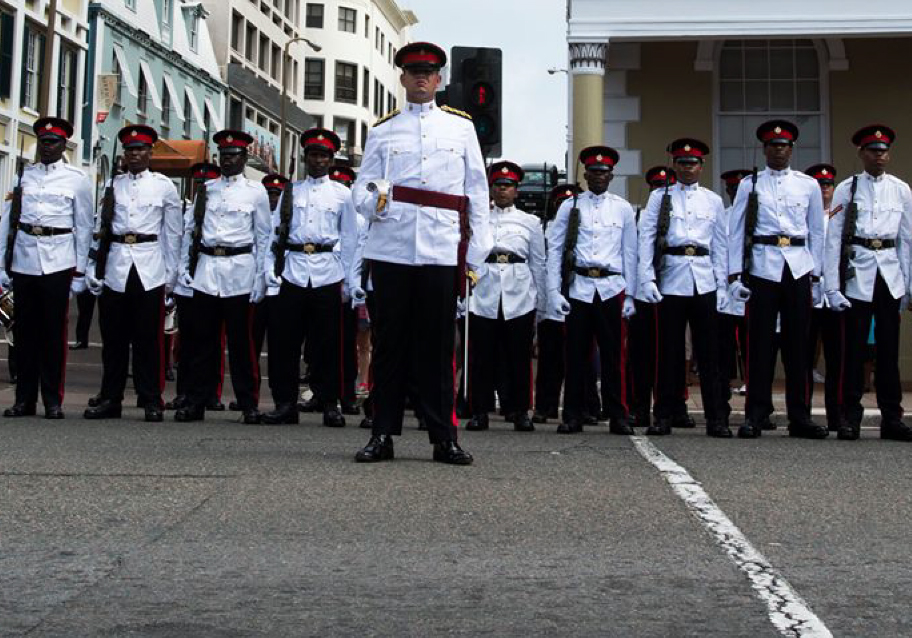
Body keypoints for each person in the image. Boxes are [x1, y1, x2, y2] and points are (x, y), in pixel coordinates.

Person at [350, 41, 492, 464]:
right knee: (390, 345)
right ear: (402, 78)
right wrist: (373, 198)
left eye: (428, 72)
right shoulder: (383, 130)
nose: (420, 78)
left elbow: (477, 192)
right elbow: (361, 189)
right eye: (413, 71)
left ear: (439, 79)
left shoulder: (461, 128)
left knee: (437, 348)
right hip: (391, 247)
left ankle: (443, 436)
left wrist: (475, 254)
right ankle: (382, 433)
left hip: (440, 249)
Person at [727, 120, 827, 439]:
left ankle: (800, 417)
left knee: (799, 346)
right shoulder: (749, 184)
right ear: (764, 149)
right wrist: (733, 274)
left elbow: (816, 231)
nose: (778, 150)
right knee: (759, 344)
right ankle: (756, 415)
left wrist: (818, 273)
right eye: (773, 146)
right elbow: (736, 231)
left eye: (783, 146)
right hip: (763, 266)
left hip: (797, 265)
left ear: (791, 149)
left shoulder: (807, 184)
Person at [82, 125, 181, 421]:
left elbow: (172, 233)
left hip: (149, 265)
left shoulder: (164, 186)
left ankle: (151, 399)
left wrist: (171, 275)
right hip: (116, 265)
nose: (135, 154)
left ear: (151, 153)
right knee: (113, 339)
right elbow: (100, 228)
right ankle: (111, 398)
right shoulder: (113, 185)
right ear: (124, 154)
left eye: (140, 149)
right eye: (130, 150)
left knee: (147, 340)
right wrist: (91, 266)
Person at [175, 130, 270, 424]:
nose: (229, 160)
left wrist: (261, 277)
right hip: (206, 269)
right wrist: (182, 267)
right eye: (225, 156)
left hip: (240, 269)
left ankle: (248, 403)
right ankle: (197, 401)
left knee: (242, 344)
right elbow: (190, 232)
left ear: (244, 158)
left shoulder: (256, 192)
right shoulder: (207, 190)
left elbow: (264, 237)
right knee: (203, 342)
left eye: (235, 156)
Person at [262, 129, 356, 426]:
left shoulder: (342, 194)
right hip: (293, 269)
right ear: (305, 158)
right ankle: (285, 403)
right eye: (313, 155)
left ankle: (330, 402)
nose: (318, 160)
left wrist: (349, 279)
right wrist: (269, 270)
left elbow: (350, 238)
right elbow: (275, 233)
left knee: (328, 343)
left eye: (324, 156)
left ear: (331, 160)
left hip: (327, 270)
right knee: (284, 342)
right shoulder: (292, 191)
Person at [0, 118, 93, 419]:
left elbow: (84, 226)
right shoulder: (24, 176)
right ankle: (23, 399)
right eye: (43, 141)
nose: (47, 147)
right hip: (25, 258)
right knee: (24, 333)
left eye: (52, 142)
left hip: (58, 258)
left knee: (53, 334)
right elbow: (10, 221)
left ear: (63, 145)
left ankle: (52, 399)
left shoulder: (76, 179)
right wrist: (4, 262)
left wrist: (79, 271)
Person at [825, 125, 912, 441]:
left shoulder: (901, 189)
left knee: (888, 351)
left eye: (883, 151)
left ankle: (892, 417)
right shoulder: (847, 189)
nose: (879, 156)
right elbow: (833, 240)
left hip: (889, 274)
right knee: (853, 350)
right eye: (873, 151)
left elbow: (906, 239)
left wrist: (909, 284)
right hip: (857, 272)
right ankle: (849, 416)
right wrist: (831, 287)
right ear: (862, 153)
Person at [638, 139, 730, 437]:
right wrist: (647, 278)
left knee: (710, 355)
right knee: (669, 353)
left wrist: (723, 285)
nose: (687, 167)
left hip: (703, 279)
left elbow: (719, 246)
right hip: (671, 278)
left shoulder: (712, 200)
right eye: (682, 162)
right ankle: (664, 414)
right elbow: (646, 238)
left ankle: (716, 418)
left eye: (693, 163)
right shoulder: (660, 198)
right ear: (674, 165)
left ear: (701, 166)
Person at [546, 145, 637, 435]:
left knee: (614, 357)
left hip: (611, 287)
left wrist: (632, 295)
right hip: (579, 286)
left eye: (604, 172)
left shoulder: (622, 208)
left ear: (611, 175)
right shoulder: (569, 206)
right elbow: (556, 250)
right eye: (594, 172)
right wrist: (553, 291)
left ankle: (618, 415)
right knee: (575, 355)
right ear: (585, 174)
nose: (599, 176)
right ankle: (573, 414)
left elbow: (629, 252)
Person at [464, 161, 546, 433]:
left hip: (519, 290)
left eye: (508, 186)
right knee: (482, 355)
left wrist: (544, 301)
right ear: (491, 189)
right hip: (484, 289)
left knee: (518, 356)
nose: (502, 190)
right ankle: (480, 411)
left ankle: (521, 410)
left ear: (516, 190)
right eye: (498, 185)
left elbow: (538, 262)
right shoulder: (479, 218)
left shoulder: (530, 222)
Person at [166, 162, 223, 412]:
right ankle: (185, 392)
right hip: (186, 283)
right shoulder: (185, 209)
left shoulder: (217, 209)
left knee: (211, 342)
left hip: (210, 279)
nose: (201, 187)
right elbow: (178, 242)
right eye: (197, 183)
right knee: (186, 343)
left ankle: (211, 392)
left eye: (205, 183)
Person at [628, 166, 675, 429]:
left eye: (664, 185)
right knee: (640, 355)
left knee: (667, 355)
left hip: (667, 288)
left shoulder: (677, 216)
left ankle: (669, 407)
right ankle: (639, 407)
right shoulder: (639, 215)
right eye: (656, 186)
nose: (660, 190)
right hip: (640, 294)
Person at [804, 163, 843, 432]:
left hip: (835, 294)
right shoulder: (802, 216)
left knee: (837, 359)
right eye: (819, 184)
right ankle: (803, 413)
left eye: (828, 185)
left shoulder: (840, 214)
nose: (824, 189)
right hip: (808, 294)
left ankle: (836, 416)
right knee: (804, 357)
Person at [716, 169, 752, 418]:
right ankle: (722, 401)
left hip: (752, 292)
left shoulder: (759, 218)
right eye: (732, 190)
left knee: (754, 348)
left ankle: (757, 402)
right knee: (724, 351)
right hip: (726, 296)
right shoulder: (723, 216)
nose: (736, 194)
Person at [329, 164, 361, 415]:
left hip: (346, 281)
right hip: (322, 276)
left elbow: (356, 250)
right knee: (321, 343)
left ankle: (348, 394)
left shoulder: (358, 215)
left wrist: (351, 283)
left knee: (347, 342)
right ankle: (323, 394)